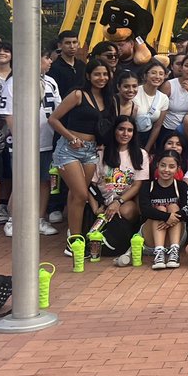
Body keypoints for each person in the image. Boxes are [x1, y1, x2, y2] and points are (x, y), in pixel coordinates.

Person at [48, 58, 113, 240]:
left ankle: (72, 232)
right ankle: (75, 239)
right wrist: (71, 137)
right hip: (69, 148)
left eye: (105, 74)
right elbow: (53, 119)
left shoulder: (108, 98)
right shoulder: (78, 94)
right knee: (81, 194)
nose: (102, 78)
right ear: (88, 76)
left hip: (90, 150)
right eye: (97, 74)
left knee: (77, 195)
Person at [0, 49, 62, 237]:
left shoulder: (50, 81)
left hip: (47, 140)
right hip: (25, 143)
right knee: (22, 183)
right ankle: (14, 220)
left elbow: (58, 109)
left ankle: (39, 219)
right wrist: (21, 141)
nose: (49, 61)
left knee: (44, 181)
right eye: (46, 58)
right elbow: (8, 114)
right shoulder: (14, 82)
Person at [92, 116, 147, 241]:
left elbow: (137, 185)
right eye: (121, 129)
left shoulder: (141, 154)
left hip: (125, 200)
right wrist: (95, 207)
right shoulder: (100, 153)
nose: (125, 134)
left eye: (130, 130)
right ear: (114, 130)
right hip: (102, 200)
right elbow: (91, 185)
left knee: (126, 211)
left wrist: (118, 202)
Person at [139, 150, 188, 269]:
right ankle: (159, 253)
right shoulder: (148, 186)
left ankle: (174, 251)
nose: (166, 170)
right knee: (160, 209)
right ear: (157, 165)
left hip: (175, 236)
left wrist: (171, 217)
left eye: (171, 166)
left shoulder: (181, 186)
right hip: (150, 237)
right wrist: (166, 217)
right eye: (163, 165)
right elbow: (145, 210)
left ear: (178, 169)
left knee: (173, 207)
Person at [133, 61, 170, 152]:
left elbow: (157, 126)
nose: (157, 77)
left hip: (146, 138)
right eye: (153, 73)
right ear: (145, 75)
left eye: (161, 74)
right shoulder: (134, 91)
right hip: (130, 136)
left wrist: (147, 148)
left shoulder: (163, 98)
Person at [49, 30, 86, 97]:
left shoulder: (82, 66)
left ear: (78, 44)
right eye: (68, 43)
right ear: (60, 45)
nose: (72, 46)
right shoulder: (54, 68)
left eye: (74, 42)